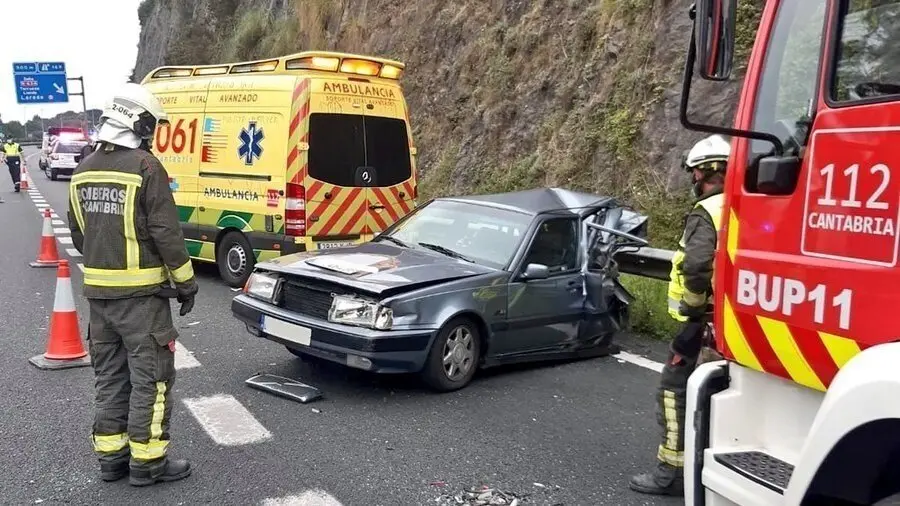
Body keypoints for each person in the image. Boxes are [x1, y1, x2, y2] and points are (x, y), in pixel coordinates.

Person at [68, 82, 198, 487]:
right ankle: (148, 463)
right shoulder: (145, 167)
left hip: (99, 300)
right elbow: (166, 234)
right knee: (152, 380)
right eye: (151, 126)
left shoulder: (82, 170)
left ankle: (111, 459)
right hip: (141, 301)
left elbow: (79, 235)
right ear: (139, 124)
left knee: (110, 378)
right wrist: (186, 284)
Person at [628, 134, 730, 496]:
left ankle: (671, 473)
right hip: (735, 323)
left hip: (703, 325)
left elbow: (697, 265)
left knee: (674, 392)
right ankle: (711, 469)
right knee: (719, 394)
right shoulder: (748, 205)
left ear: (707, 172)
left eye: (695, 173)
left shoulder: (708, 211)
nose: (693, 180)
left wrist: (693, 308)